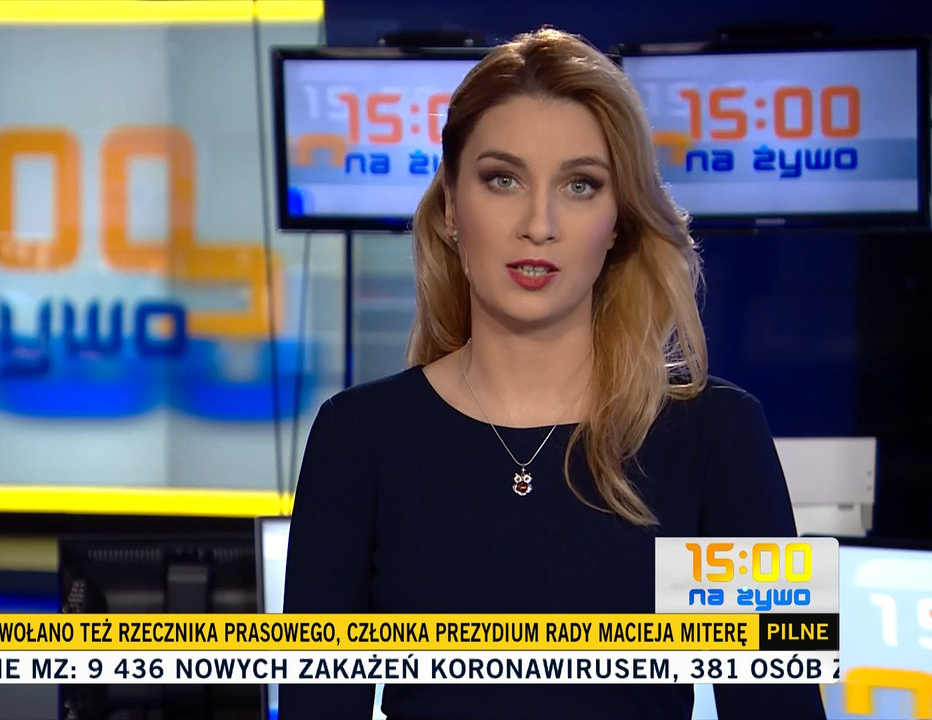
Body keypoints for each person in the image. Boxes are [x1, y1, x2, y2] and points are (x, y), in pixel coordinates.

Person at [279, 28, 827, 720]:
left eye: (580, 185)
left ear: (618, 221)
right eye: (502, 179)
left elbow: (782, 707)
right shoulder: (358, 438)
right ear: (451, 207)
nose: (538, 224)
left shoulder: (718, 437)